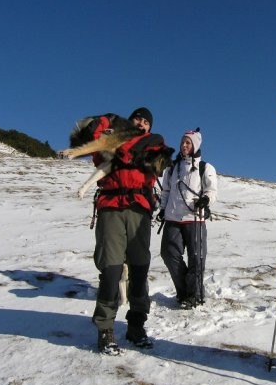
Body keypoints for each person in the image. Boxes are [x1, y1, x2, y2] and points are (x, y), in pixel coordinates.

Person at [92, 107, 169, 354]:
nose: (142, 123)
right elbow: (95, 138)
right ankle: (105, 329)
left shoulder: (154, 143)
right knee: (111, 269)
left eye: (147, 121)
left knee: (139, 270)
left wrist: (127, 149)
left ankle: (136, 326)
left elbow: (157, 164)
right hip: (111, 207)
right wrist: (107, 120)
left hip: (139, 208)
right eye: (138, 119)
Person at [158, 129, 218, 309]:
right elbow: (166, 191)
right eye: (183, 142)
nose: (184, 145)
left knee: (196, 259)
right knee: (168, 254)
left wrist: (206, 200)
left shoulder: (205, 168)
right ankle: (185, 291)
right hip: (173, 218)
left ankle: (194, 296)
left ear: (195, 145)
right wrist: (162, 209)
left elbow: (211, 190)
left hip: (195, 219)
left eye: (188, 143)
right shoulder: (172, 168)